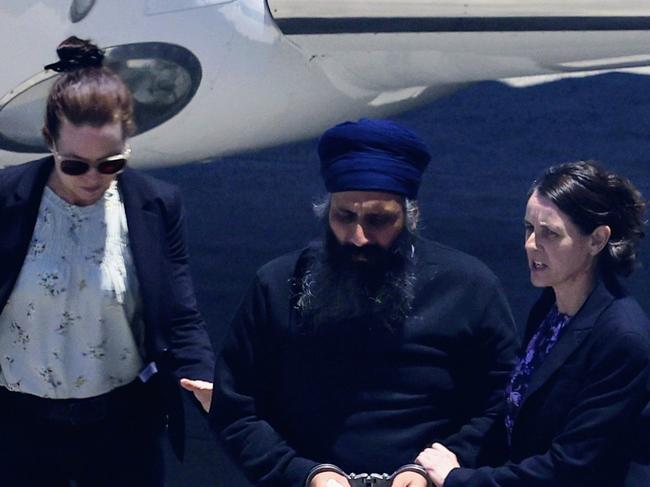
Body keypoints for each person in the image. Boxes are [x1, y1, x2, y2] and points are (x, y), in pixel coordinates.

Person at [210, 119, 519, 487]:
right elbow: (236, 409)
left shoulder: (469, 286)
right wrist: (304, 475)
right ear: (327, 212)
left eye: (378, 220)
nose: (359, 237)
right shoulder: (277, 286)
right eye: (345, 216)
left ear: (409, 216)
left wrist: (438, 468)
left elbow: (505, 402)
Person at [0, 36, 215, 486]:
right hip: (18, 423)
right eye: (75, 165)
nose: (94, 178)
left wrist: (202, 375)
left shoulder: (157, 205)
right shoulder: (6, 198)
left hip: (120, 423)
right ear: (48, 143)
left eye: (111, 163)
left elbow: (179, 309)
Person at [416, 161, 650, 487]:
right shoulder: (550, 309)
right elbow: (513, 412)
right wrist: (438, 458)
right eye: (529, 229)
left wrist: (458, 479)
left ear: (597, 240)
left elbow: (571, 467)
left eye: (550, 234)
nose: (530, 244)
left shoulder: (622, 338)